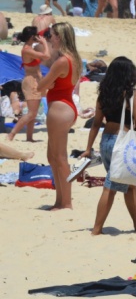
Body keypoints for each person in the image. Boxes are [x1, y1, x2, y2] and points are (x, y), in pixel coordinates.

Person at [80, 57, 136, 235]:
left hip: (106, 142)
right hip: (123, 143)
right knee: (110, 187)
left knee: (128, 183)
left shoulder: (104, 93)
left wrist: (88, 149)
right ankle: (96, 229)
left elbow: (95, 124)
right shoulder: (133, 94)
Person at [38, 22, 82, 210]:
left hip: (60, 108)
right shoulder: (74, 58)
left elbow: (41, 87)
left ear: (60, 37)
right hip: (66, 106)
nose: (50, 38)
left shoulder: (63, 61)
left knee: (60, 157)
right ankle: (60, 200)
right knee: (53, 156)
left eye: (52, 35)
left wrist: (42, 77)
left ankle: (66, 202)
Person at [7, 27, 49, 142]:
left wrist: (42, 81)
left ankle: (29, 138)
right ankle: (11, 134)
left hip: (36, 80)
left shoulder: (31, 48)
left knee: (33, 113)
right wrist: (44, 43)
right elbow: (46, 56)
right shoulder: (27, 50)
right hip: (30, 81)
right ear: (31, 37)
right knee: (31, 113)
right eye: (36, 35)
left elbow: (38, 67)